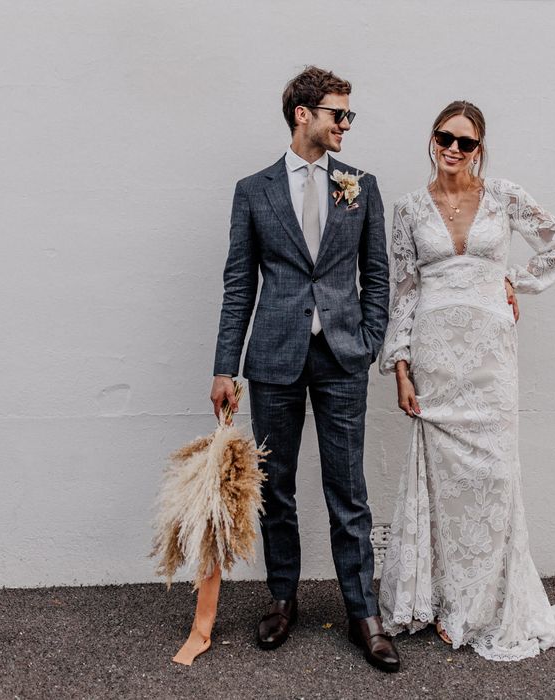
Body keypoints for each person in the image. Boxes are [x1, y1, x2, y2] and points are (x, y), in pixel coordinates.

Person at [378, 100, 555, 662]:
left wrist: (514, 281)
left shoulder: (502, 196)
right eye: (443, 137)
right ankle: (449, 603)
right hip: (435, 359)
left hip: (489, 359)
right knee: (444, 486)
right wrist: (400, 369)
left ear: (480, 147)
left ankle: (482, 609)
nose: (452, 148)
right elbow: (403, 291)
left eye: (465, 141)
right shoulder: (407, 208)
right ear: (431, 139)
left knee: (494, 480)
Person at [210, 66, 399, 672]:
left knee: (349, 489)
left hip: (342, 356)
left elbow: (377, 274)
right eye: (337, 114)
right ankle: (283, 598)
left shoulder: (360, 185)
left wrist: (368, 340)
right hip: (273, 359)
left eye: (349, 114)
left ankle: (361, 611)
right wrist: (225, 367)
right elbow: (239, 282)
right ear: (303, 115)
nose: (346, 124)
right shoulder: (254, 189)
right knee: (278, 488)